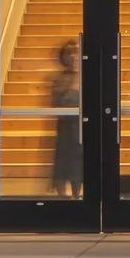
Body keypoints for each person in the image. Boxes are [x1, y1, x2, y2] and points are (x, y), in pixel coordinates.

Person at [49, 38, 83, 199]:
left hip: (80, 128)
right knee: (61, 166)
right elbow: (61, 103)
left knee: (78, 166)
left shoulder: (85, 77)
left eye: (76, 52)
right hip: (65, 128)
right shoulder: (58, 78)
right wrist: (75, 83)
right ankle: (62, 199)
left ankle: (77, 197)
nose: (73, 56)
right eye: (69, 53)